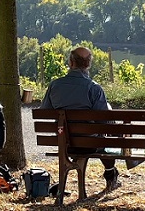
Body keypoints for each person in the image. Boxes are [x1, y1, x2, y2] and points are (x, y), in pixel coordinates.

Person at [40, 46, 122, 192]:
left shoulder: (55, 85)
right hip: (89, 144)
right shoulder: (94, 88)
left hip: (64, 142)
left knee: (101, 136)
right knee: (105, 137)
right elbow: (104, 121)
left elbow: (44, 112)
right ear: (89, 64)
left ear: (71, 63)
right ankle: (110, 174)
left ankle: (110, 173)